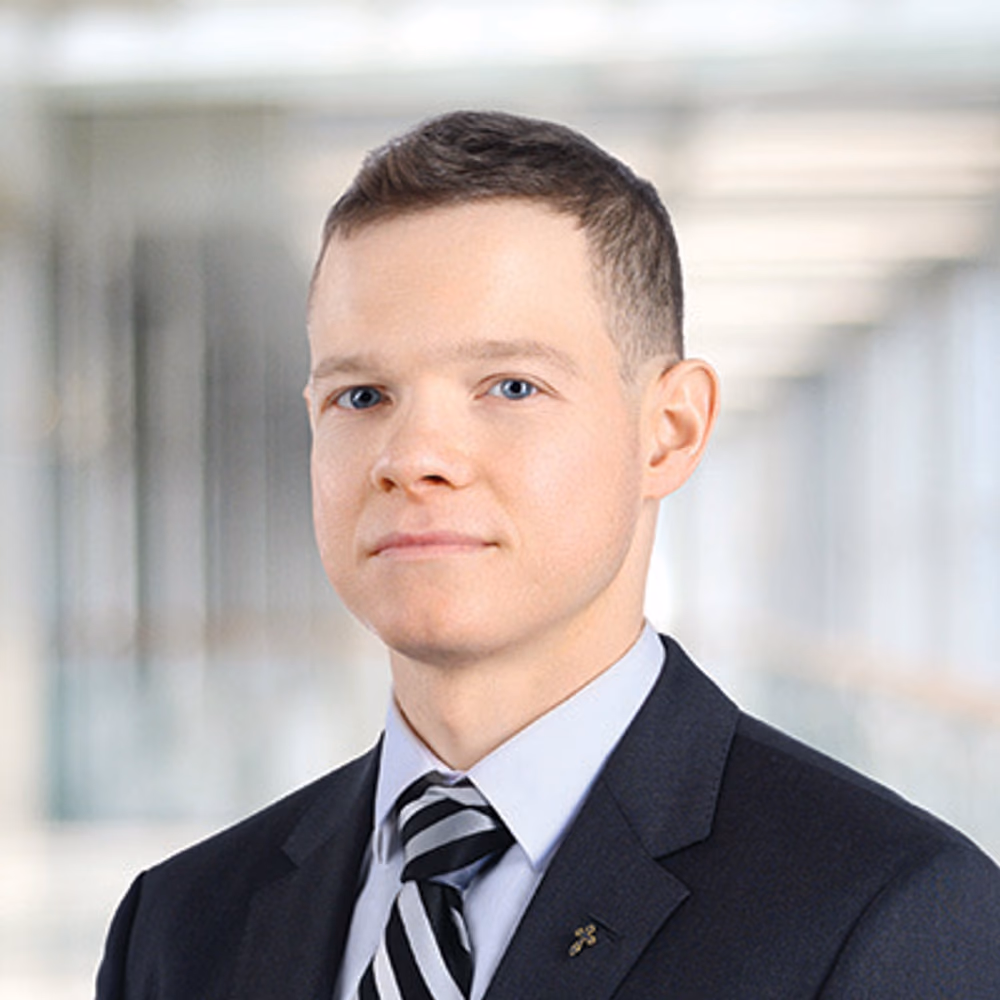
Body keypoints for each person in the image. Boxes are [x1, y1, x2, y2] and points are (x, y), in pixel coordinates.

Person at [95, 110, 1000, 999]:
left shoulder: (888, 916)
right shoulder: (179, 926)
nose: (413, 458)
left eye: (511, 386)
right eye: (362, 395)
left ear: (670, 431)